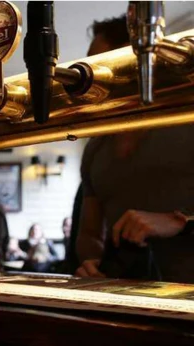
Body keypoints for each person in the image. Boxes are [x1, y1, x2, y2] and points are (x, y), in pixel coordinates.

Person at [75, 15, 194, 282]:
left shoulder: (186, 121)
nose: (90, 77)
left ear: (135, 62)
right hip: (133, 305)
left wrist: (180, 221)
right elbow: (89, 234)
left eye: (99, 64)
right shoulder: (96, 147)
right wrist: (92, 261)